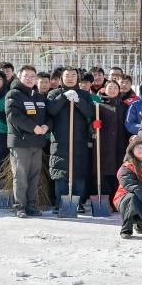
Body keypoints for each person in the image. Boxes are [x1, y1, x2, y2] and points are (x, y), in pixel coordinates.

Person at [46, 67, 95, 213]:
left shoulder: (85, 94)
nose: (70, 78)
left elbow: (90, 113)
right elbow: (51, 110)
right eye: (67, 75)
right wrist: (63, 97)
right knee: (60, 171)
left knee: (78, 172)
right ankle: (60, 203)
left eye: (73, 75)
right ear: (62, 78)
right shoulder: (54, 93)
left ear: (77, 78)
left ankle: (78, 202)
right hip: (59, 139)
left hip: (79, 139)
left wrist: (78, 101)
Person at [5, 65, 48, 217]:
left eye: (32, 76)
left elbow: (48, 115)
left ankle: (31, 205)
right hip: (21, 142)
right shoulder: (13, 94)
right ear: (19, 77)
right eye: (26, 76)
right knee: (21, 176)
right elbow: (13, 116)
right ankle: (20, 207)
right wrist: (33, 127)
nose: (29, 79)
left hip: (37, 142)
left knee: (34, 176)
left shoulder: (38, 96)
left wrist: (46, 126)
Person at [95, 80, 127, 203]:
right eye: (110, 87)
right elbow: (89, 124)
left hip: (120, 144)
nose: (112, 90)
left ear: (119, 90)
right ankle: (104, 201)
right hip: (103, 145)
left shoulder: (124, 106)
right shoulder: (98, 105)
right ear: (104, 89)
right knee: (102, 173)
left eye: (115, 88)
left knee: (118, 173)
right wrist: (93, 126)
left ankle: (116, 201)